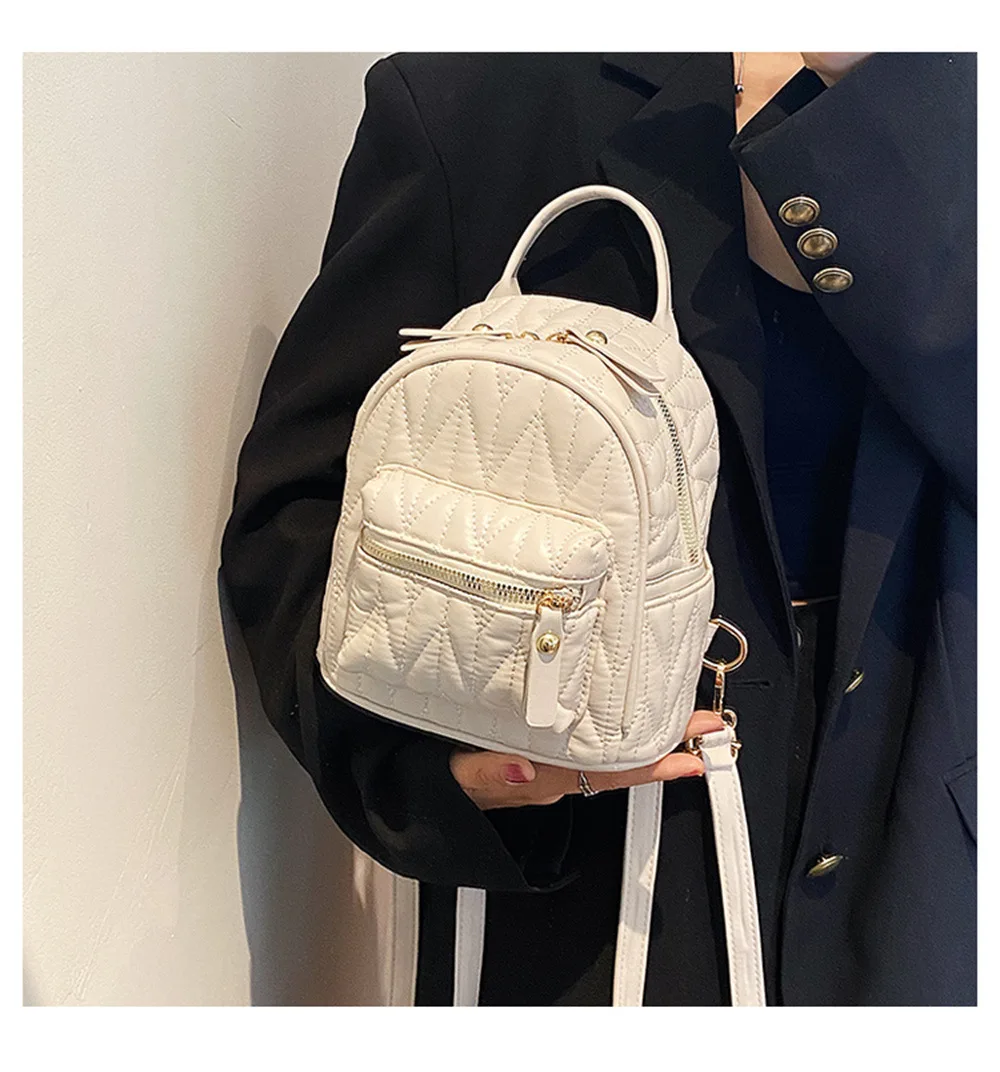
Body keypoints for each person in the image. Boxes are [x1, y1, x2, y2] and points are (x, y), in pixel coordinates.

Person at [220, 52, 976, 1005]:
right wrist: (441, 775)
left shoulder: (962, 112)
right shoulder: (490, 100)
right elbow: (304, 511)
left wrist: (907, 113)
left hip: (928, 859)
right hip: (602, 881)